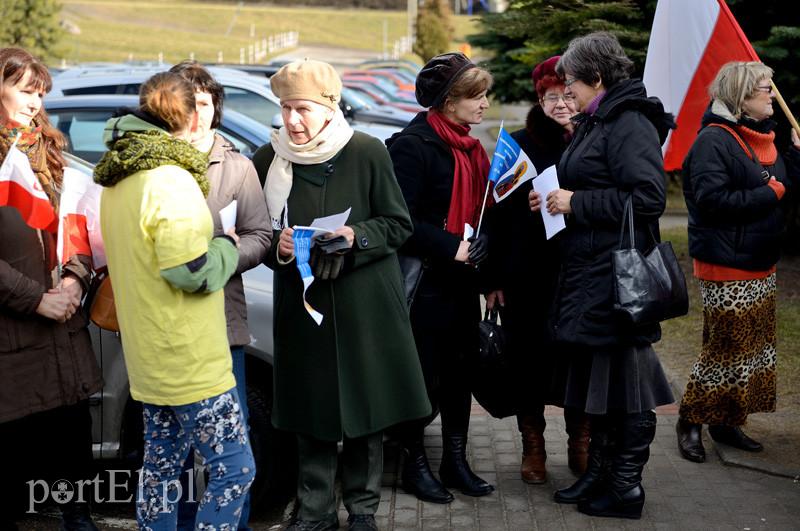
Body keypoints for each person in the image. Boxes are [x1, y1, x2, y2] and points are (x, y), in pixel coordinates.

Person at [252, 59, 430, 531]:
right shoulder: (269, 159)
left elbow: (398, 223)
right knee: (310, 412)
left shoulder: (367, 151)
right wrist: (279, 245)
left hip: (363, 304)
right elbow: (253, 233)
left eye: (303, 109)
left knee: (364, 410)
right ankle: (315, 511)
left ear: (329, 108)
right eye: (285, 108)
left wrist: (356, 236)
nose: (292, 120)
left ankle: (363, 509)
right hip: (303, 306)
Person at [95, 71, 255, 530]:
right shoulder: (171, 179)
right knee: (235, 468)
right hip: (190, 360)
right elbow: (190, 272)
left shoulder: (119, 178)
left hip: (148, 358)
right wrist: (226, 245)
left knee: (162, 472)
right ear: (186, 118)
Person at [529, 32, 676, 519]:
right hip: (593, 269)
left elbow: (649, 199)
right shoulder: (600, 119)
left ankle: (626, 487)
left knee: (627, 387)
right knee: (604, 384)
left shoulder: (628, 122)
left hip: (619, 276)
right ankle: (602, 474)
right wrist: (554, 197)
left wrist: (577, 203)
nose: (565, 93)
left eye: (571, 84)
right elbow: (592, 181)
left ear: (597, 78)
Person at [386, 52, 498, 504]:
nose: (486, 104)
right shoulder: (412, 145)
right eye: (478, 96)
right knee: (424, 377)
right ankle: (413, 465)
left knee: (460, 375)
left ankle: (456, 460)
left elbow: (483, 207)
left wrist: (484, 241)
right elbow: (399, 219)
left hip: (462, 283)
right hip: (426, 284)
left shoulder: (471, 147)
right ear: (450, 101)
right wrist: (449, 243)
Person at [675, 61, 800, 462]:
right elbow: (712, 203)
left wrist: (795, 158)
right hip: (725, 261)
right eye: (765, 89)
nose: (772, 96)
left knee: (751, 349)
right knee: (726, 348)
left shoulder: (765, 137)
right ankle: (689, 420)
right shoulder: (714, 141)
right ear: (742, 98)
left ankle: (726, 421)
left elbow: (785, 184)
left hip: (760, 258)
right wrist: (772, 191)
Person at [0, 46, 102, 531]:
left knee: (71, 450)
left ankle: (78, 515)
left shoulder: (52, 154)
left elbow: (79, 227)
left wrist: (73, 280)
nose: (35, 102)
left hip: (66, 332)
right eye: (25, 91)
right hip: (14, 340)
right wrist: (36, 298)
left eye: (41, 93)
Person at [169, 60, 270, 531]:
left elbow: (260, 234)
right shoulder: (154, 167)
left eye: (205, 104)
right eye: (186, 104)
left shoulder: (238, 166)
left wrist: (223, 255)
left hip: (223, 326)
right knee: (177, 452)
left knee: (233, 448)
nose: (196, 115)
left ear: (215, 108)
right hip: (167, 328)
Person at [488, 55, 588, 485]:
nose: (562, 104)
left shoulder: (591, 140)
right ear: (539, 98)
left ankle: (581, 442)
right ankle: (533, 446)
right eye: (552, 96)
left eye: (568, 94)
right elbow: (491, 213)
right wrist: (490, 277)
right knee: (526, 363)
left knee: (578, 362)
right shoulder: (515, 144)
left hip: (579, 273)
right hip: (525, 274)